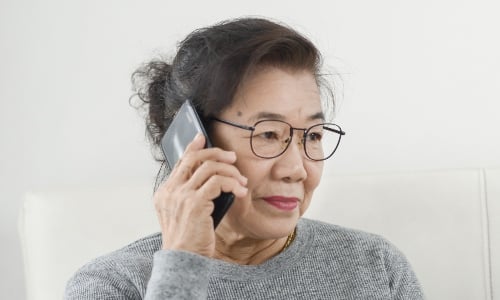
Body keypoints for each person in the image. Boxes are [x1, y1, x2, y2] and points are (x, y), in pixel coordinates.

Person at [65, 17, 424, 299]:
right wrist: (182, 270)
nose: (297, 170)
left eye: (312, 136)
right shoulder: (112, 285)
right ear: (195, 143)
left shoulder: (376, 268)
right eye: (268, 134)